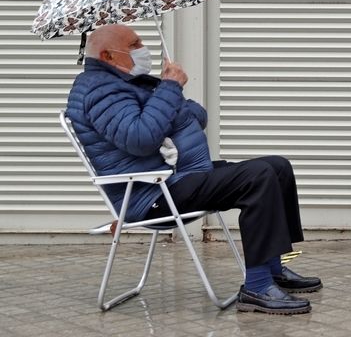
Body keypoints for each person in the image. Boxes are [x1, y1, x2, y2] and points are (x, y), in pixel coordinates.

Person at [66, 24, 322, 315]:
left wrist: (169, 95)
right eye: (134, 44)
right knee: (258, 177)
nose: (143, 49)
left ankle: (273, 269)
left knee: (277, 166)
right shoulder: (100, 91)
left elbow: (198, 117)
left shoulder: (131, 82)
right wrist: (170, 89)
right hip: (152, 194)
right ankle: (257, 286)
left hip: (178, 177)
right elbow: (140, 138)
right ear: (108, 55)